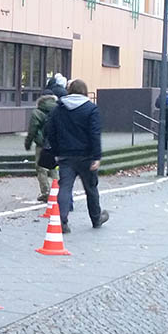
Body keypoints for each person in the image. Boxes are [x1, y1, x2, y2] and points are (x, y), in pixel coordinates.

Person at [44, 78, 108, 233]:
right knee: (91, 188)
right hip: (86, 156)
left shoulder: (59, 109)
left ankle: (62, 221)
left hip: (66, 156)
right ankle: (96, 218)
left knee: (65, 188)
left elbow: (50, 132)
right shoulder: (91, 109)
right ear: (85, 91)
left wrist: (56, 151)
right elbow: (95, 134)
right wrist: (97, 156)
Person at [24, 92, 59, 202]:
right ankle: (57, 190)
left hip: (42, 143)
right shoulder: (58, 110)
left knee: (41, 168)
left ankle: (46, 192)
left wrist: (28, 143)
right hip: (55, 143)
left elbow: (32, 130)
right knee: (54, 168)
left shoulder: (37, 112)